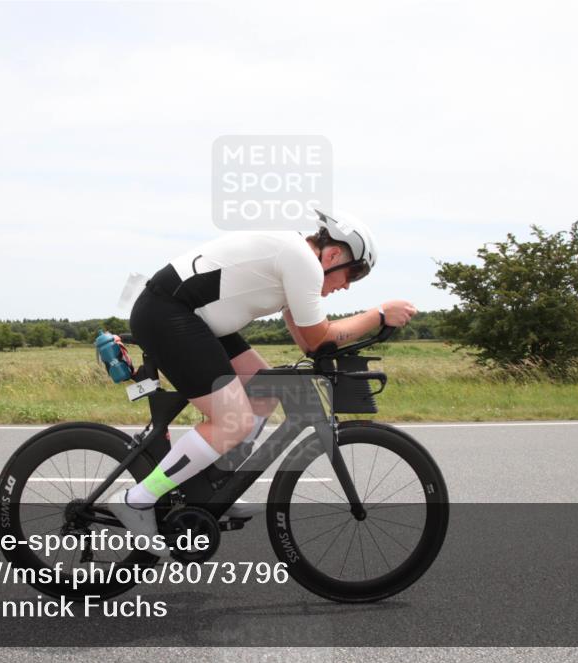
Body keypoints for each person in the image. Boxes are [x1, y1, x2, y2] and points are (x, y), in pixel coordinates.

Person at [105, 209, 417, 555]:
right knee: (232, 421)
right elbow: (318, 339)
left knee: (264, 393)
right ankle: (137, 499)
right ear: (333, 255)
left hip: (196, 318)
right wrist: (378, 315)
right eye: (352, 273)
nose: (346, 285)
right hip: (171, 314)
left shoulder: (298, 262)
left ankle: (213, 487)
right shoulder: (302, 260)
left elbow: (307, 341)